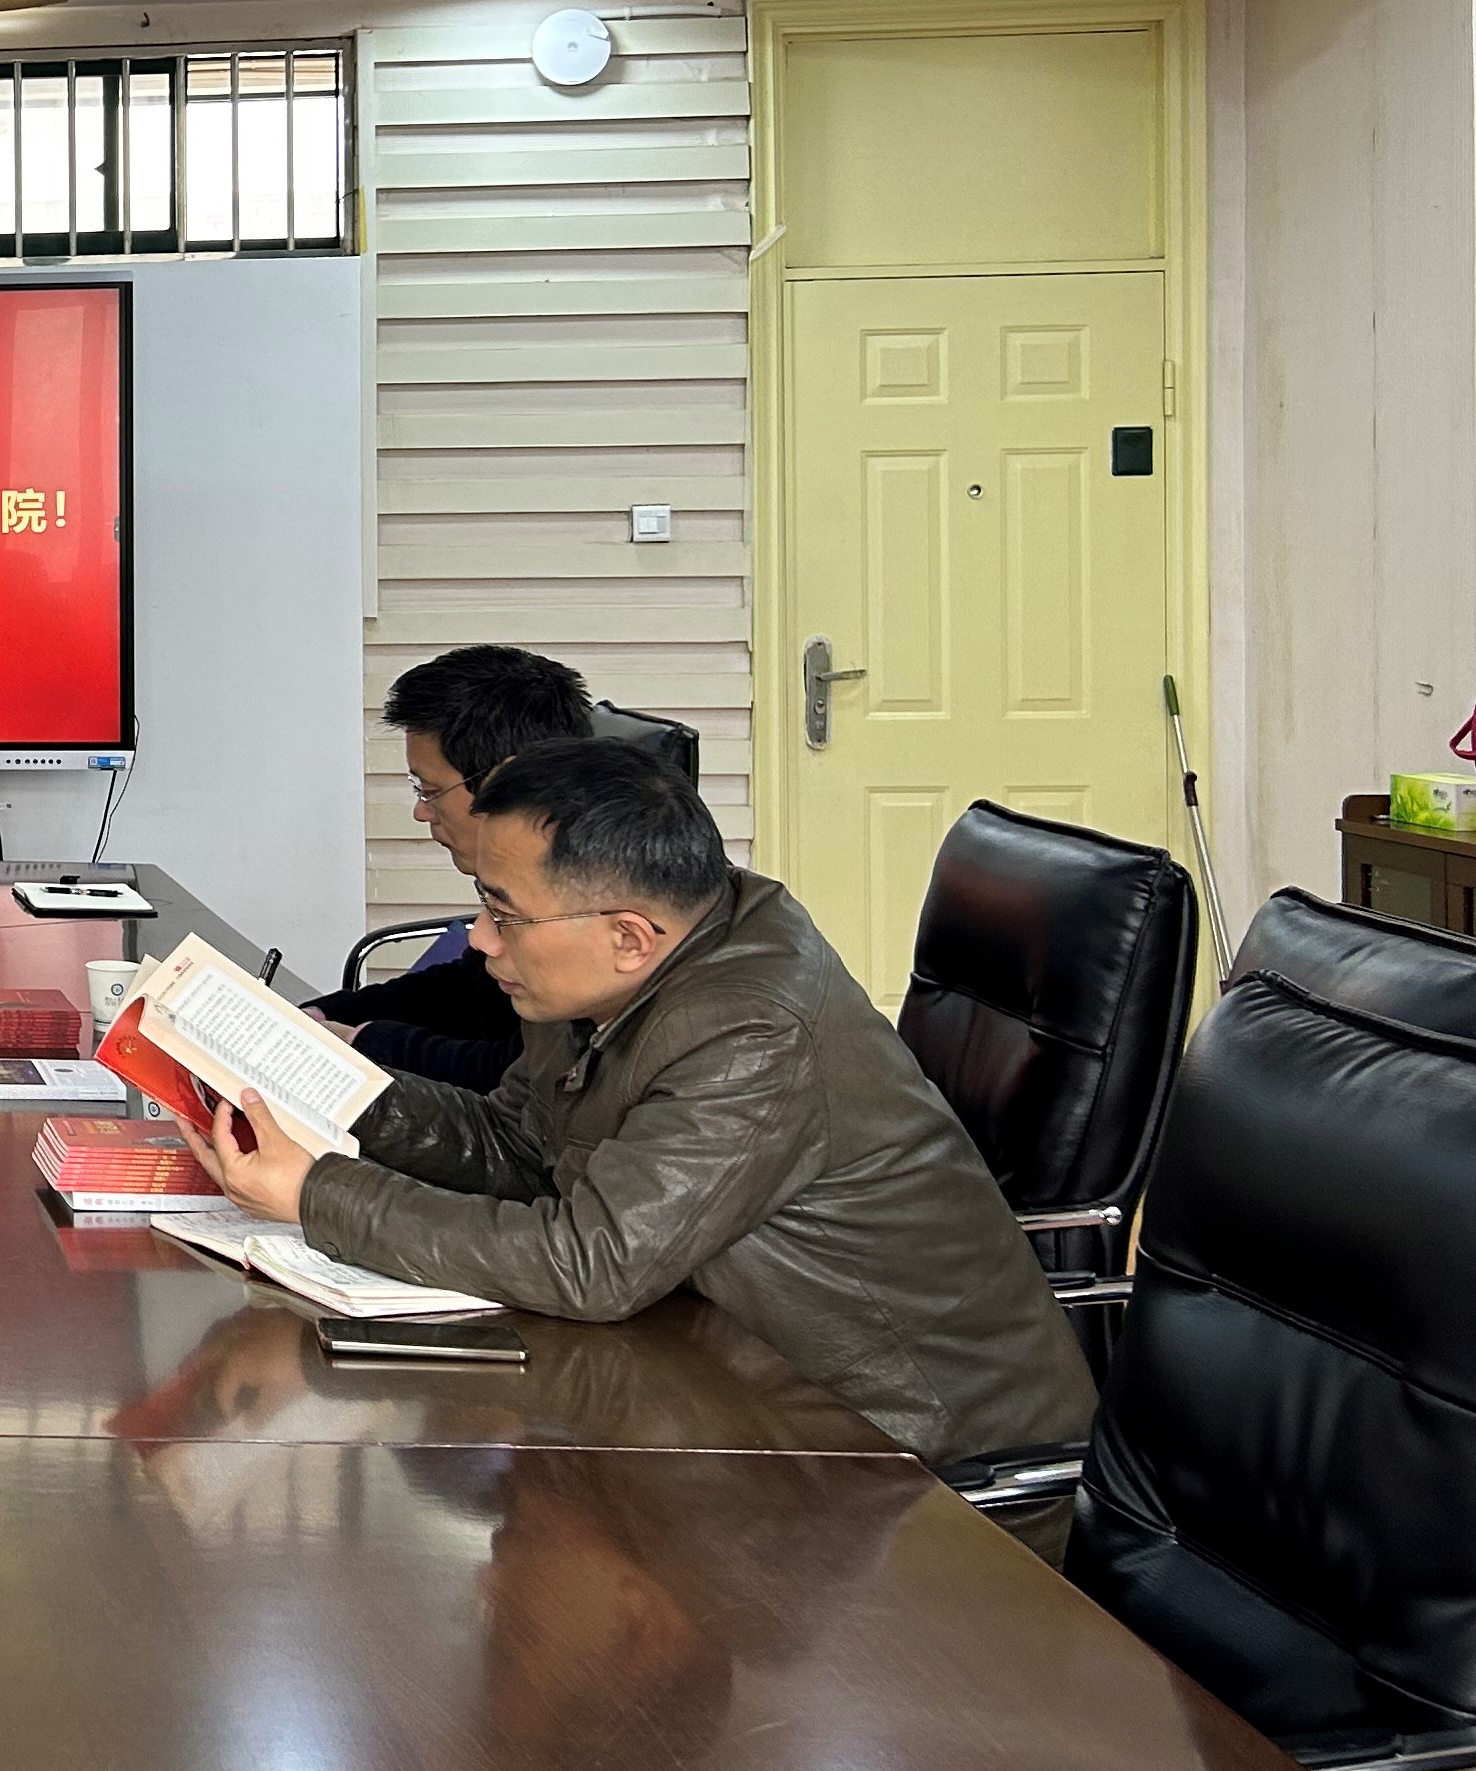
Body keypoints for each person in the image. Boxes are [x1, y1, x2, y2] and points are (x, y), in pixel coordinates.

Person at [179, 738, 1095, 1525]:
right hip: (734, 1394)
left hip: (918, 1479)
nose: (480, 940)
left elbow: (593, 1262)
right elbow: (520, 1146)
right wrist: (328, 1095)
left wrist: (319, 1193)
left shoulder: (752, 1031)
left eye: (503, 914)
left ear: (628, 935)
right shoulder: (615, 969)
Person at [314, 645, 600, 1088]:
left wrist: (362, 1042)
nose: (421, 811)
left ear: (503, 781)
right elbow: (468, 989)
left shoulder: (585, 898)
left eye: (429, 790)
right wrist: (325, 1013)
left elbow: (518, 1076)